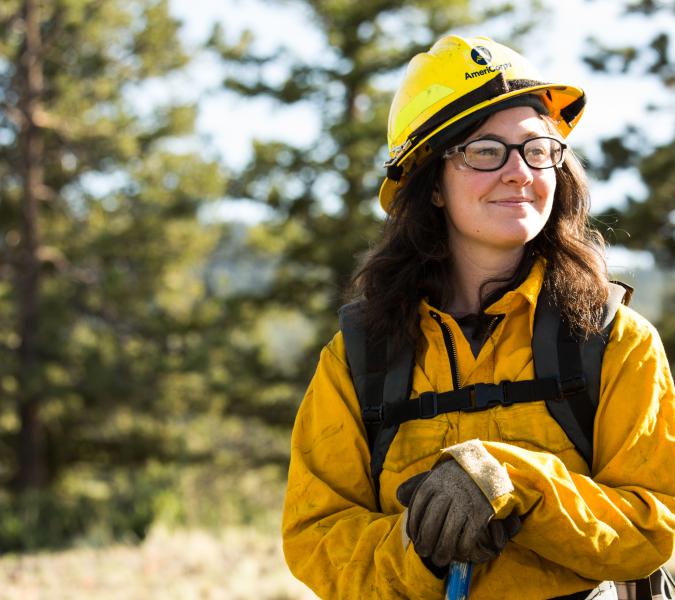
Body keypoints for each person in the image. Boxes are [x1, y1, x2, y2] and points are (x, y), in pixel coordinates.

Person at [281, 34, 675, 599]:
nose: (519, 172)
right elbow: (315, 537)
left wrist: (515, 480)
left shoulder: (612, 340)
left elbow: (653, 524)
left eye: (537, 149)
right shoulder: (363, 355)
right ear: (431, 183)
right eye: (486, 151)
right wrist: (420, 547)